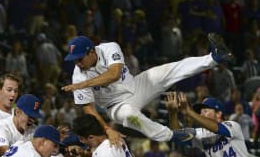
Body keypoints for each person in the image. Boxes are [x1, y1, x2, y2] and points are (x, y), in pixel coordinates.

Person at [61, 34, 233, 145]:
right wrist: (108, 129)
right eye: (74, 60)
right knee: (131, 116)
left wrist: (84, 84)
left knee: (169, 70)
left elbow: (114, 74)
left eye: (80, 58)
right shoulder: (78, 76)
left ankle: (215, 57)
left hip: (136, 85)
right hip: (116, 106)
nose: (77, 63)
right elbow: (89, 110)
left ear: (92, 51)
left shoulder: (108, 48)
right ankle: (172, 136)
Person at [70, 114, 147, 157]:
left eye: (81, 139)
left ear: (91, 137)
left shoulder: (103, 154)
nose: (81, 142)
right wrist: (83, 153)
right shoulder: (115, 137)